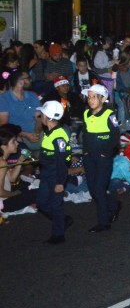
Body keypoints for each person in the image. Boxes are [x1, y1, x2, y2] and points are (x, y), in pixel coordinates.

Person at [81, 84, 122, 232]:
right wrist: (85, 152)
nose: (90, 100)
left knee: (99, 189)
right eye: (89, 97)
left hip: (103, 158)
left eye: (94, 97)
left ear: (103, 99)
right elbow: (85, 134)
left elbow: (115, 136)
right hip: (89, 157)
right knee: (94, 190)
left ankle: (104, 222)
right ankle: (113, 205)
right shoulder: (86, 113)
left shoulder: (109, 114)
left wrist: (106, 152)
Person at [37, 101, 73, 243]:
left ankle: (58, 235)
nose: (40, 116)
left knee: (55, 205)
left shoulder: (58, 136)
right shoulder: (50, 132)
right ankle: (62, 220)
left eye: (42, 114)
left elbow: (61, 162)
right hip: (47, 172)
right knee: (41, 202)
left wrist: (59, 182)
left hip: (55, 174)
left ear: (47, 116)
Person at [0, 70, 42, 157]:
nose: (30, 80)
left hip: (36, 132)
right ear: (20, 82)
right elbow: (4, 125)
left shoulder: (32, 96)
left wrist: (37, 132)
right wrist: (25, 135)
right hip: (18, 136)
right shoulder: (4, 99)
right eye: (28, 78)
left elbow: (39, 117)